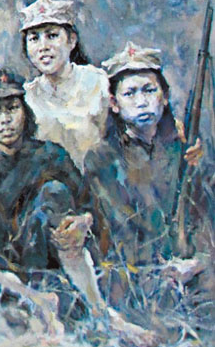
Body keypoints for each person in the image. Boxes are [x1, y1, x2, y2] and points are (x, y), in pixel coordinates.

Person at [0, 70, 156, 347]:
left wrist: (82, 221)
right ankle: (33, 304)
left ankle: (99, 312)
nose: (5, 120)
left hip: (43, 255)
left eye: (12, 108)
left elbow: (88, 205)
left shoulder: (50, 155)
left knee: (54, 191)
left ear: (25, 112)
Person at [85, 42, 208, 284]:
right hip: (132, 276)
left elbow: (202, 217)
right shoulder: (102, 158)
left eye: (149, 90)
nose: (141, 101)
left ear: (165, 97)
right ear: (114, 104)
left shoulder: (183, 152)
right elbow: (120, 228)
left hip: (188, 272)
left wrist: (197, 262)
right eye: (129, 93)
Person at [19, 0, 107, 171]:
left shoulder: (97, 82)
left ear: (72, 40)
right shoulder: (27, 96)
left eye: (52, 36)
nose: (43, 46)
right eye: (34, 39)